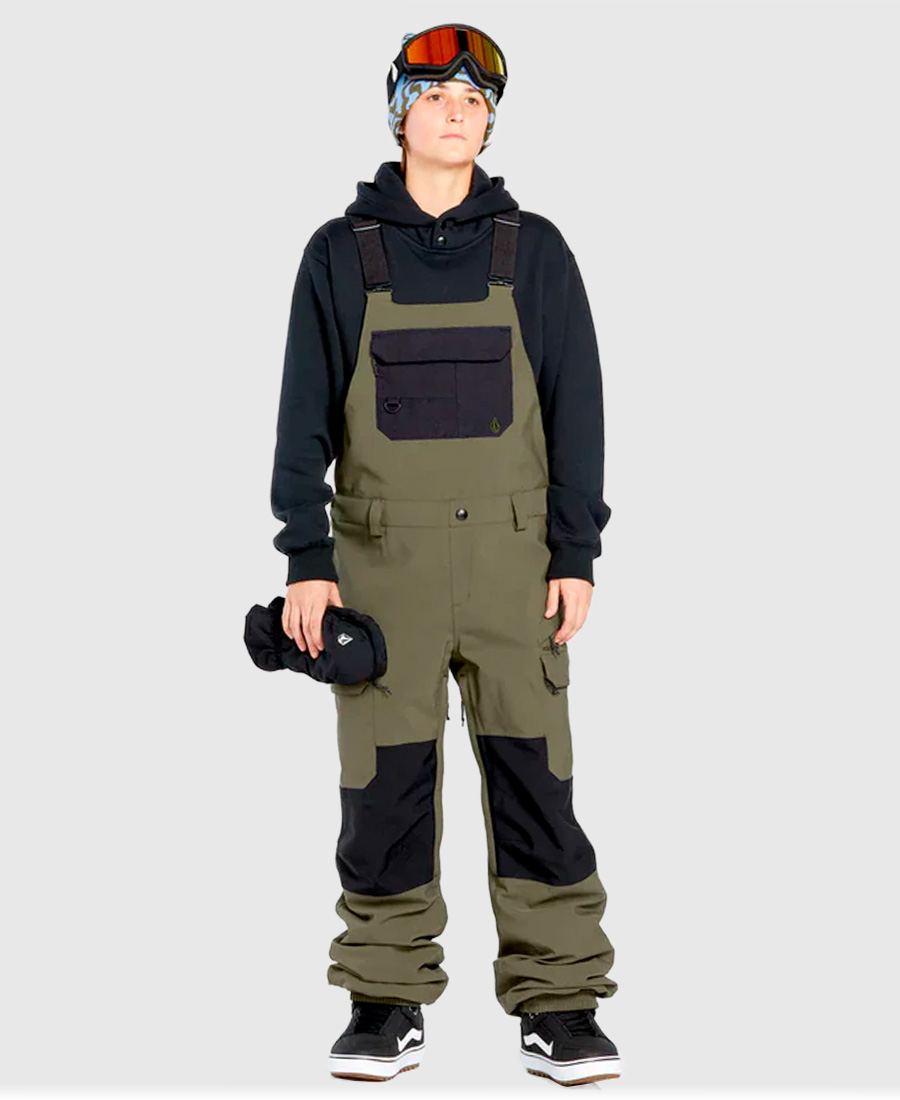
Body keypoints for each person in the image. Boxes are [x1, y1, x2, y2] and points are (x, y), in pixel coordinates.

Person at [270, 24, 621, 1087]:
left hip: (518, 564)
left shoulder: (535, 249)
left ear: (489, 122)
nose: (457, 112)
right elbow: (301, 420)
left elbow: (577, 409)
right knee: (385, 789)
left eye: (475, 100)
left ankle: (560, 1003)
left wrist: (575, 551)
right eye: (435, 97)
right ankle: (384, 999)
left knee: (535, 779)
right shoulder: (341, 253)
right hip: (381, 568)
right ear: (400, 116)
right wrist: (306, 556)